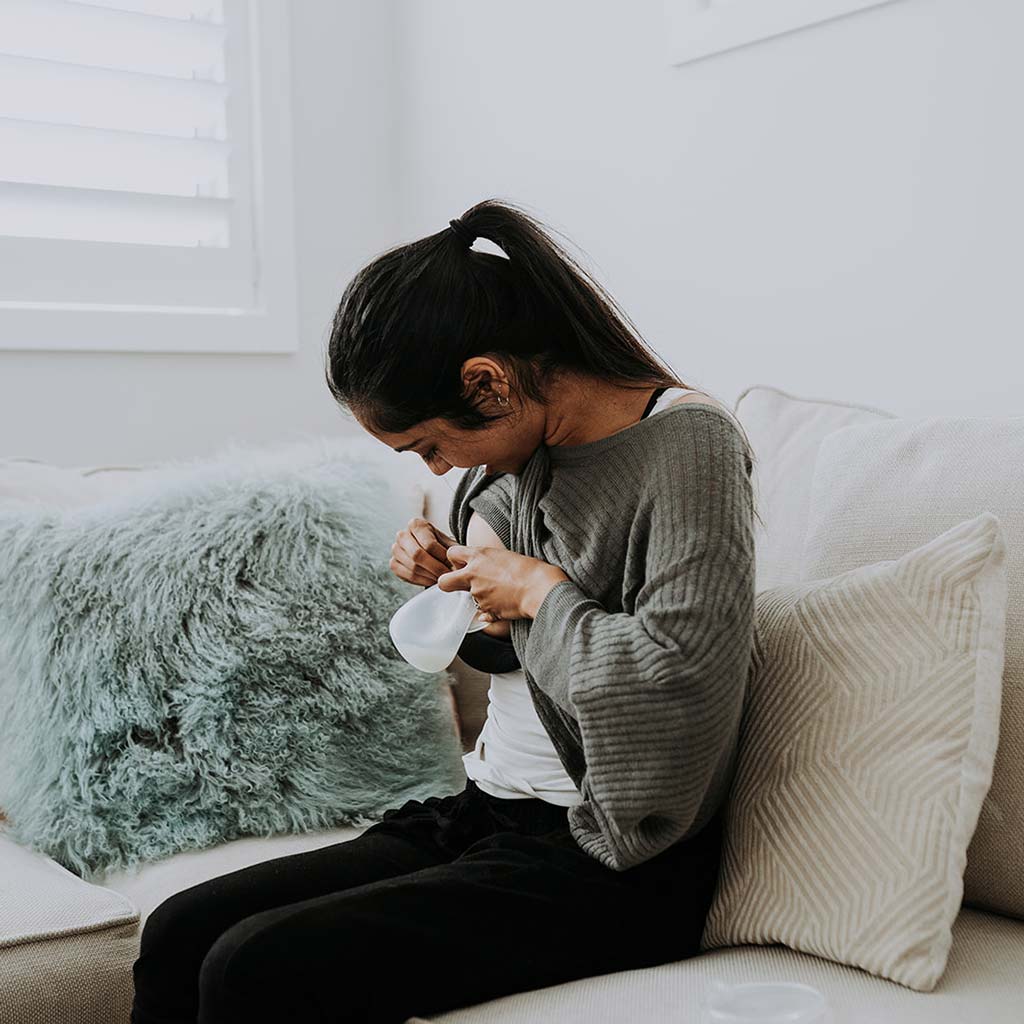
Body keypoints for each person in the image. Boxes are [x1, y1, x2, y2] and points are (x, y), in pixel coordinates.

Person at [130, 198, 761, 1024]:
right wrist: (467, 598)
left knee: (255, 968)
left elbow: (682, 688)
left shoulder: (688, 447)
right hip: (486, 809)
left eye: (427, 446)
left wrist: (539, 592)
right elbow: (516, 664)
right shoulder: (501, 469)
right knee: (182, 929)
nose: (435, 466)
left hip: (610, 856)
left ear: (487, 382)